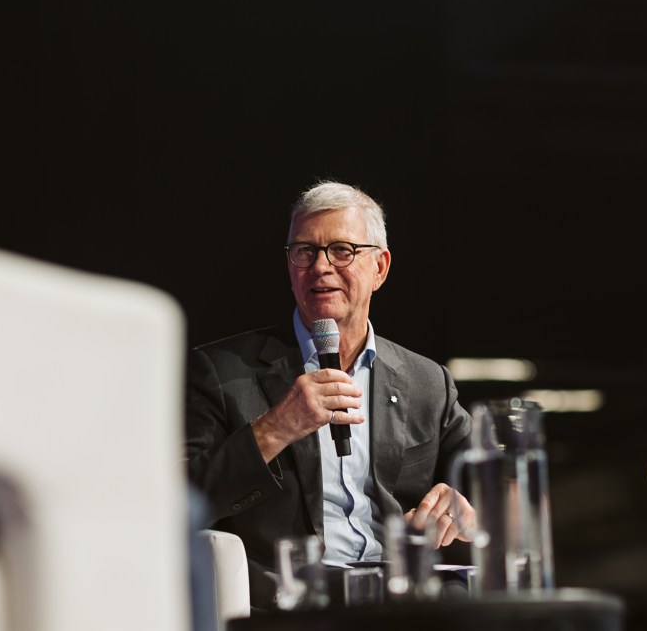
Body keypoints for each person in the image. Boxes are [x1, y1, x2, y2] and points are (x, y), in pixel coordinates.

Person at [184, 179, 475, 610]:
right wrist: (274, 429)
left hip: (404, 597)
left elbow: (490, 486)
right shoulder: (220, 371)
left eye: (342, 250)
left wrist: (463, 508)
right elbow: (177, 502)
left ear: (380, 267)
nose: (320, 266)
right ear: (289, 266)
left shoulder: (426, 380)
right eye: (304, 251)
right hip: (292, 600)